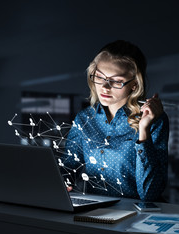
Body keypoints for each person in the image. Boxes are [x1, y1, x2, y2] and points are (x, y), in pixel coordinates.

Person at [62, 40, 169, 202]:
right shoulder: (84, 118)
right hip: (93, 212)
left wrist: (144, 130)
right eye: (99, 77)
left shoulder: (155, 120)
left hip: (138, 217)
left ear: (134, 84)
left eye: (117, 81)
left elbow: (149, 194)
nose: (105, 87)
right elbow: (68, 167)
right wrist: (61, 180)